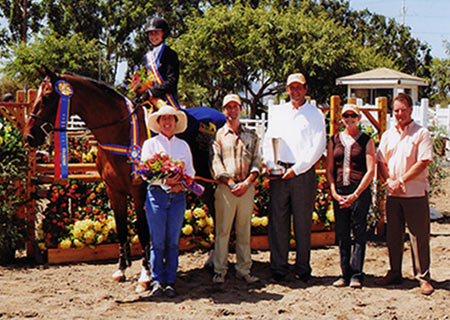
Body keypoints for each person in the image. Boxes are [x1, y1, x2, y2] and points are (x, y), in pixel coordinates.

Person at [262, 73, 326, 283]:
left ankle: (302, 267)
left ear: (306, 88)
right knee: (278, 221)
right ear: (287, 90)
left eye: (299, 87)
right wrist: (272, 165)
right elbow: (268, 139)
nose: (295, 91)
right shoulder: (279, 112)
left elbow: (318, 146)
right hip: (279, 173)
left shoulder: (315, 114)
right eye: (291, 87)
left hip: (302, 173)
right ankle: (279, 267)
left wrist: (298, 169)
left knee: (302, 221)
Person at [376, 93, 434, 295]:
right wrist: (390, 182)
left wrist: (402, 180)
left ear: (411, 110)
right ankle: (394, 272)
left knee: (419, 236)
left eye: (403, 109)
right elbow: (381, 161)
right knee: (393, 235)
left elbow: (423, 161)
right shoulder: (387, 135)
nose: (399, 114)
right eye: (396, 110)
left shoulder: (421, 133)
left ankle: (423, 277)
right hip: (393, 193)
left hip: (415, 193)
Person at [141, 105, 195, 297]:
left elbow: (190, 172)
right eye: (163, 119)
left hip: (178, 196)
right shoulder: (150, 145)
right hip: (157, 195)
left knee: (172, 241)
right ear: (158, 123)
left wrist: (181, 185)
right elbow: (145, 174)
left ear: (175, 122)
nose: (167, 122)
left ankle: (170, 281)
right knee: (157, 241)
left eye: (170, 119)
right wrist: (164, 180)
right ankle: (156, 280)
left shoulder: (183, 146)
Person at [210, 94, 262, 284]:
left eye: (235, 107)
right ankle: (219, 270)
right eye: (228, 108)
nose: (232, 111)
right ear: (224, 111)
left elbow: (257, 162)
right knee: (222, 232)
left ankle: (243, 269)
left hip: (246, 189)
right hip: (226, 189)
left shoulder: (252, 135)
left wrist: (247, 183)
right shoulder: (218, 136)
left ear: (241, 109)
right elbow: (216, 164)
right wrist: (231, 183)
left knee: (244, 231)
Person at [326, 104, 375, 288]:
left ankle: (357, 274)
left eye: (352, 115)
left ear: (358, 117)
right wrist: (334, 192)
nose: (349, 118)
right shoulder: (334, 140)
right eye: (346, 115)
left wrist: (356, 194)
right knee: (342, 233)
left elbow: (370, 170)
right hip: (340, 191)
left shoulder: (366, 140)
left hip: (359, 192)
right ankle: (344, 273)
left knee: (359, 231)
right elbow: (330, 169)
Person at [141, 17, 180, 105]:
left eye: (156, 33)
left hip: (167, 101)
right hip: (149, 101)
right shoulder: (146, 57)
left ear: (163, 33)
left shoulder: (170, 54)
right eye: (151, 34)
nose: (153, 37)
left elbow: (172, 81)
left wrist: (152, 92)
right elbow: (143, 78)